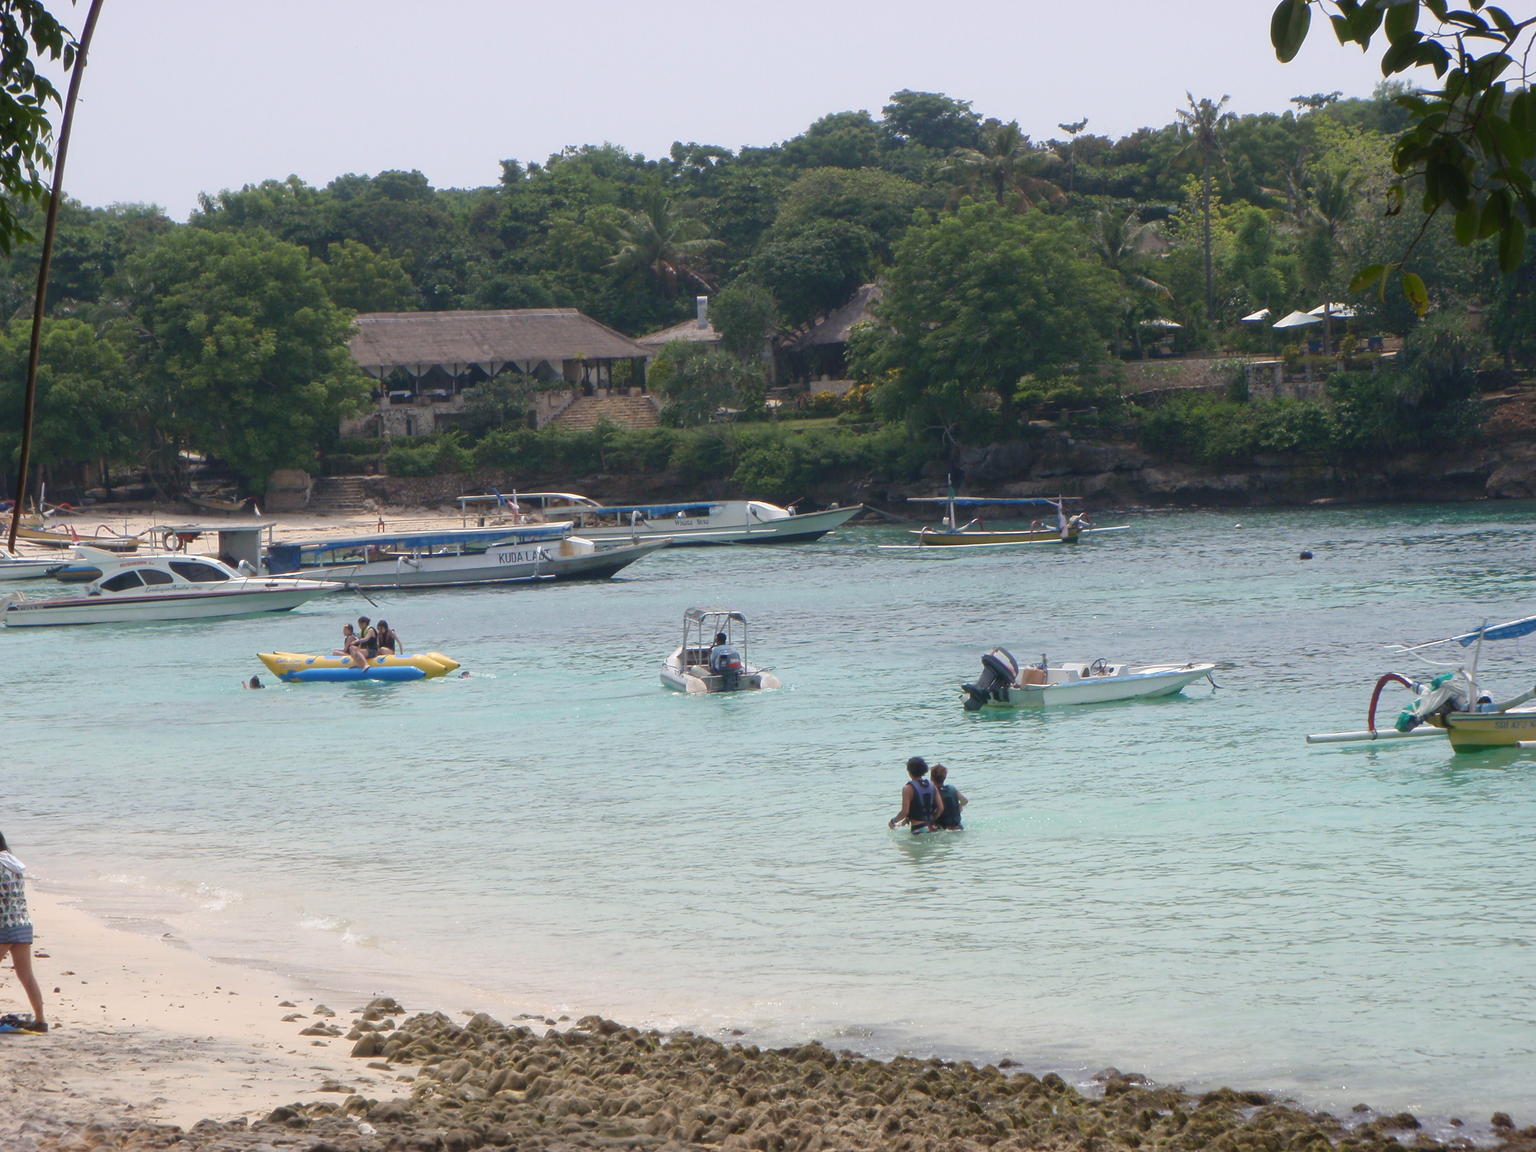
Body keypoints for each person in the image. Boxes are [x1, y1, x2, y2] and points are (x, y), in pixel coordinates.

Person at [0, 831, 46, 1033]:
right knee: (26, 976)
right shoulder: (14, 864)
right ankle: (40, 1020)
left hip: (2, 925)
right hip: (22, 924)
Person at [888, 756, 943, 834]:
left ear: (909, 771)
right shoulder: (932, 785)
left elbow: (904, 812)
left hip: (918, 829)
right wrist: (932, 820)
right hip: (932, 827)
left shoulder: (908, 788)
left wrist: (893, 821)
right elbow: (940, 808)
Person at [931, 763, 967, 831]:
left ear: (931, 778)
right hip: (958, 827)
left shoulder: (932, 792)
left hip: (942, 828)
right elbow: (965, 801)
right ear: (945, 777)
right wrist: (959, 806)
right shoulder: (952, 789)